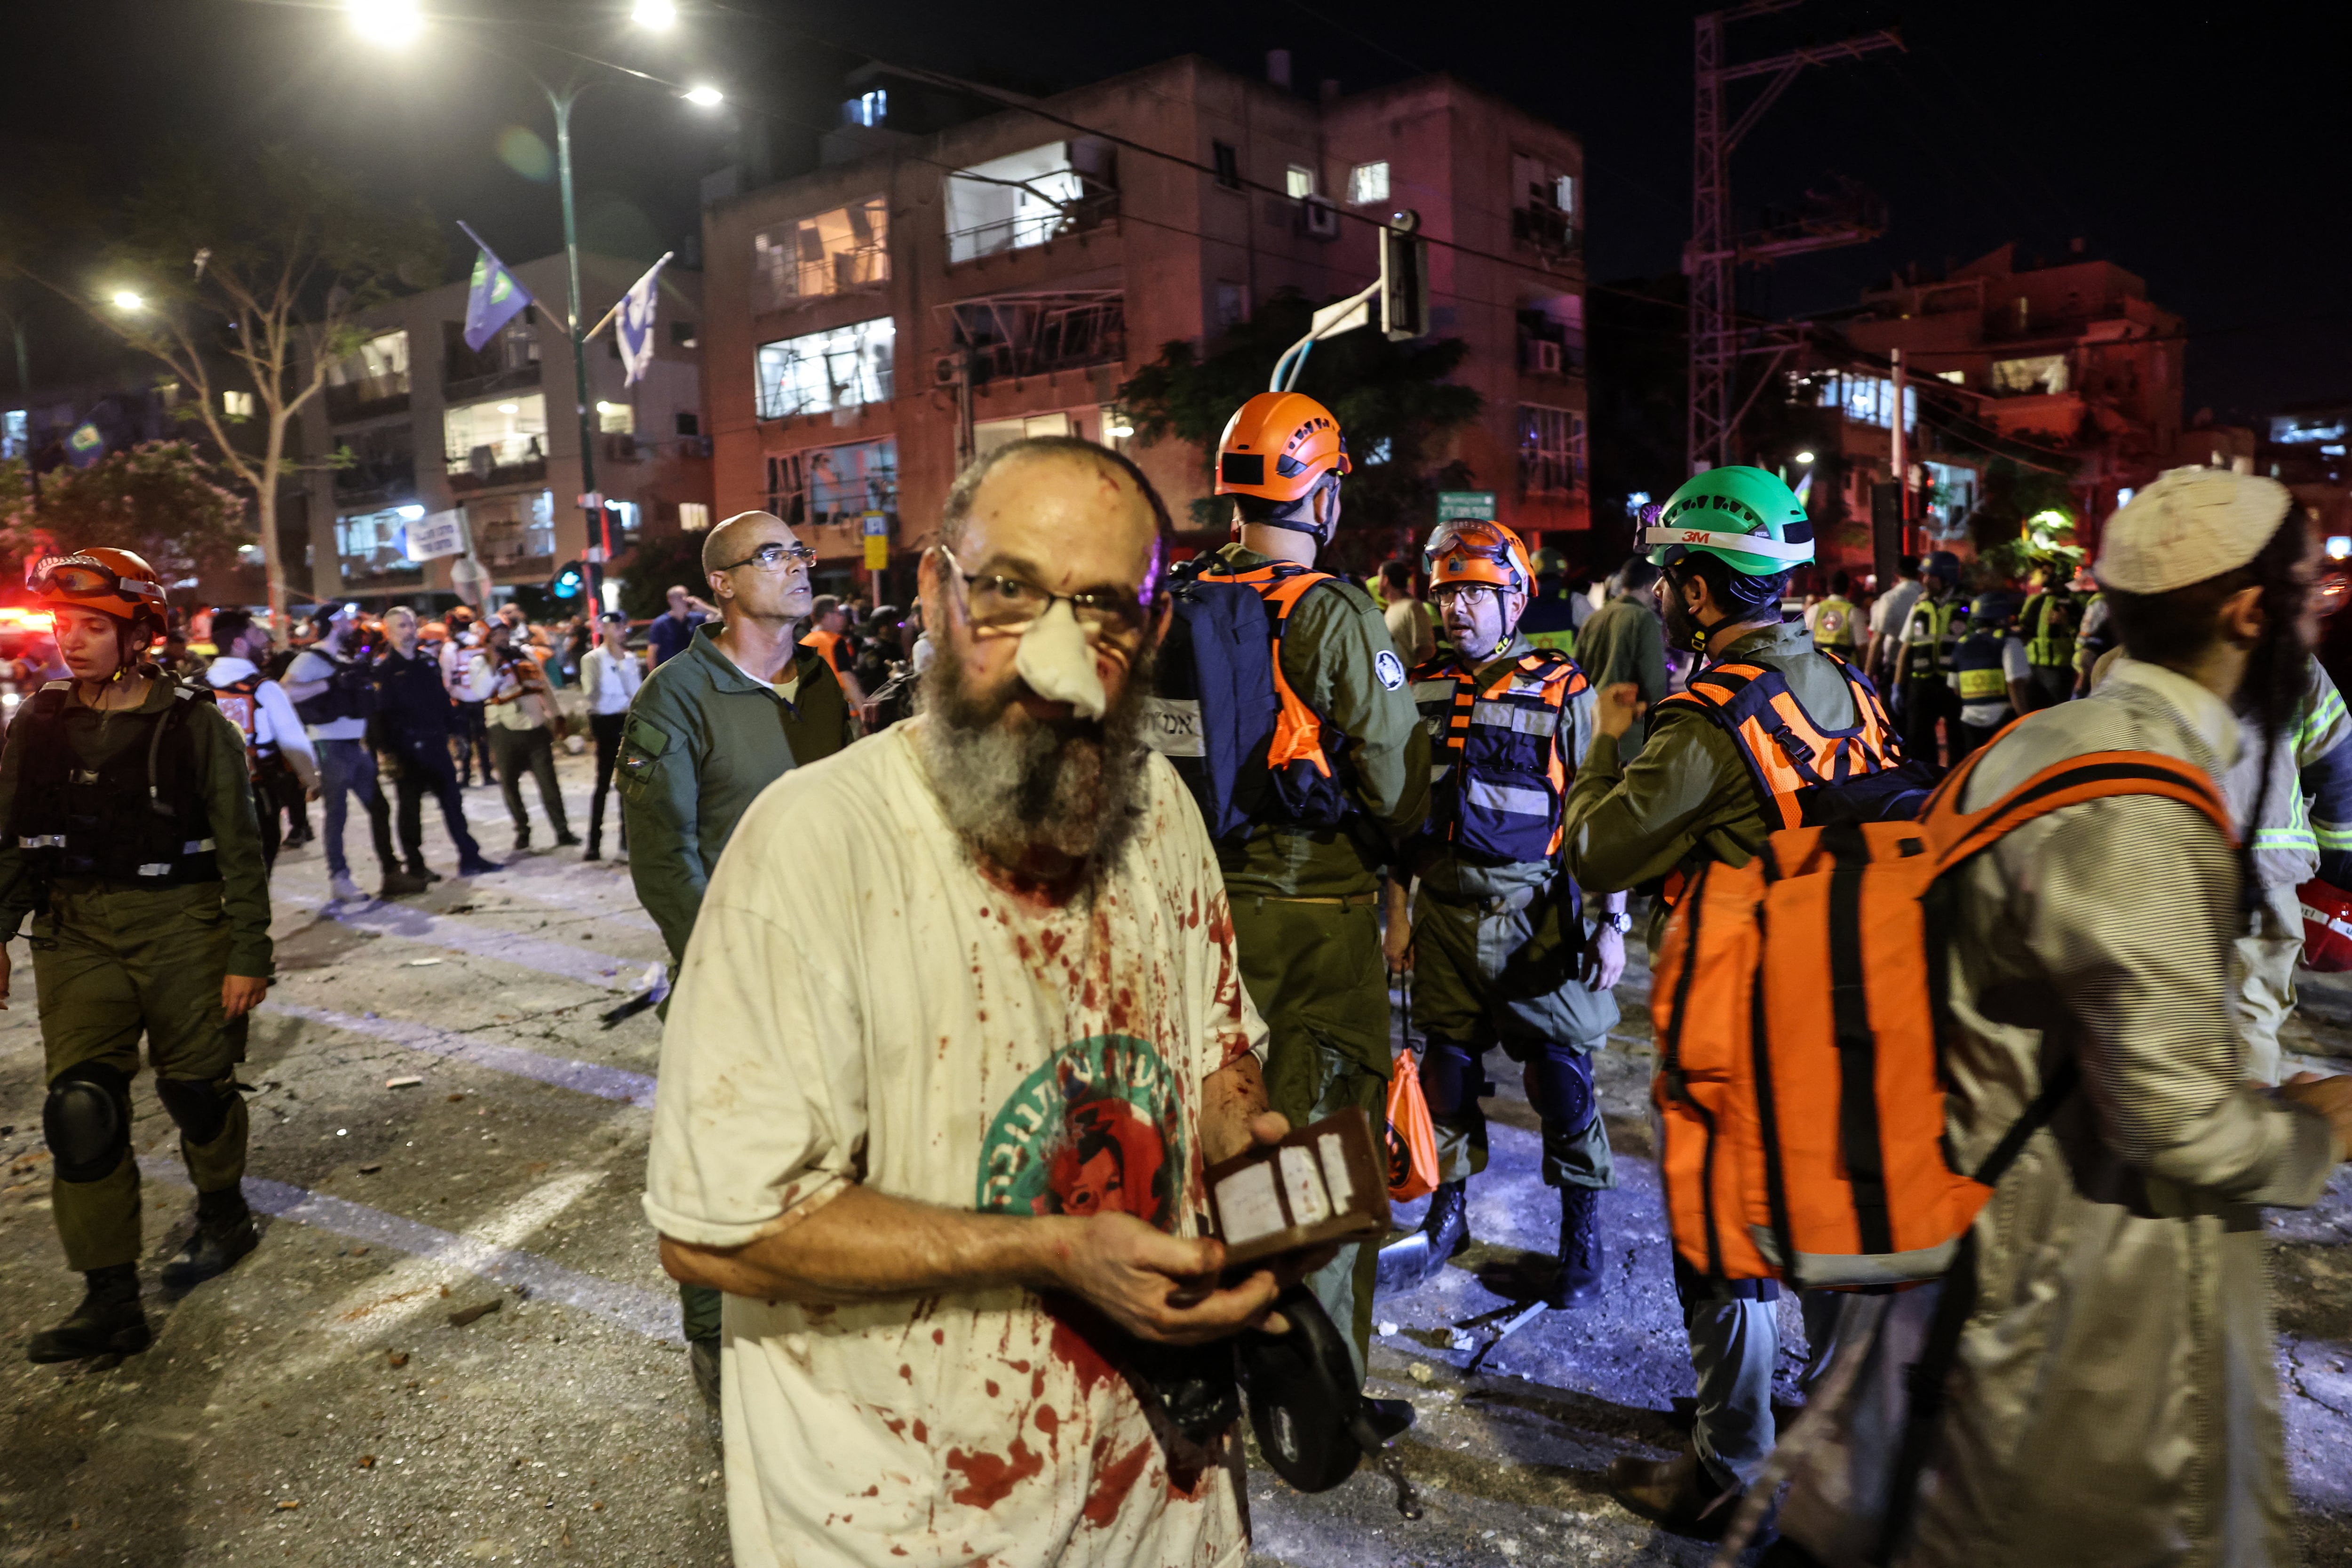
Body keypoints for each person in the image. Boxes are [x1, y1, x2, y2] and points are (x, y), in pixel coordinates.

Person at [647, 437, 1313, 1568]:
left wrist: (1240, 1137)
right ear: (934, 590)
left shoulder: (1162, 820)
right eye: (1009, 591)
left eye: (1105, 607)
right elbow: (723, 1229)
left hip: (1162, 1507)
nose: (1058, 663)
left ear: (1151, 633)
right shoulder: (814, 850)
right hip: (917, 1526)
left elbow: (1215, 1047)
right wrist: (1052, 1250)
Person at [1767, 466, 2352, 1568]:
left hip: (1995, 1269)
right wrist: (2320, 1126)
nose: (2317, 616)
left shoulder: (2044, 746)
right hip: (2074, 1320)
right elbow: (2173, 1124)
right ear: (2246, 612)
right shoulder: (2135, 800)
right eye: (2305, 593)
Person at [1555, 466, 1873, 1536]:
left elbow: (1599, 850)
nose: (1657, 598)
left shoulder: (1700, 724)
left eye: (1668, 580)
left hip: (1742, 1023)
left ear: (1700, 591)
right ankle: (1829, 1433)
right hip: (1848, 1006)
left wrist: (1610, 732)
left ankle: (1730, 1469)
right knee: (1825, 1227)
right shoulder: (1850, 688)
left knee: (1723, 1245)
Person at [1190, 391, 1429, 1382]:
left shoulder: (1190, 595)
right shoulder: (1331, 610)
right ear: (1321, 494)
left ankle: (1221, 1336)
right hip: (1314, 913)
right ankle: (1316, 1380)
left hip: (1202, 910)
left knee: (1226, 1135)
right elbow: (1394, 781)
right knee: (1322, 1145)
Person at [0, 549, 274, 1361]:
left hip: (182, 922)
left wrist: (249, 951)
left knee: (196, 1087)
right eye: (64, 625)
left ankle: (223, 1211)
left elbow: (241, 845)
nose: (73, 641)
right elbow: (11, 838)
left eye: (94, 626)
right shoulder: (38, 722)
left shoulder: (196, 723)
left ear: (141, 633)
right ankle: (110, 1296)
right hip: (74, 929)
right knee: (81, 1109)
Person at [619, 510, 856, 1395]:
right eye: (774, 554)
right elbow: (663, 858)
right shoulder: (674, 696)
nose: (798, 565)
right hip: (736, 972)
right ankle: (717, 1340)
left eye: (801, 551)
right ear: (721, 583)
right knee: (727, 1162)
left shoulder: (823, 681)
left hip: (837, 964)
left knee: (831, 1153)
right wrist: (721, 965)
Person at [1389, 519, 1627, 1308]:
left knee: (1561, 1079)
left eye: (1476, 593)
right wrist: (1398, 914)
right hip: (1443, 914)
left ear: (1516, 596)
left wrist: (1612, 922)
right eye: (1447, 591)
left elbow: (1606, 813)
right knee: (1447, 1074)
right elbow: (1400, 812)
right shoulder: (1417, 685)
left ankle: (1580, 1242)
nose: (1457, 609)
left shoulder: (1564, 688)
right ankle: (1447, 1216)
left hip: (1535, 918)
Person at [2224, 655, 2352, 1088]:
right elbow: (2337, 765)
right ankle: (2244, 1147)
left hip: (2154, 876)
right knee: (2250, 1018)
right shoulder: (2292, 662)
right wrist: (2339, 867)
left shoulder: (2123, 662)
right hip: (2262, 874)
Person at [281, 605, 430, 902]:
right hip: (331, 746)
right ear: (335, 624)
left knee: (380, 808)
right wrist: (330, 683)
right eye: (345, 619)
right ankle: (340, 879)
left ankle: (391, 874)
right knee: (337, 814)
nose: (351, 624)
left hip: (354, 745)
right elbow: (287, 691)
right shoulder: (312, 658)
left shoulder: (343, 657)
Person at [374, 606, 498, 880]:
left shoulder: (427, 663)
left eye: (411, 624)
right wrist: (387, 752)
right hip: (406, 751)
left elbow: (442, 701)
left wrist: (456, 733)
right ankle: (415, 865)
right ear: (389, 632)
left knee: (453, 804)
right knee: (410, 810)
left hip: (435, 745)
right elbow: (380, 717)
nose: (409, 631)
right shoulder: (384, 670)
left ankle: (469, 856)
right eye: (402, 626)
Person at [203, 608, 318, 876]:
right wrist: (313, 781)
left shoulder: (192, 687)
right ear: (239, 643)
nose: (265, 640)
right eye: (257, 633)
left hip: (205, 797)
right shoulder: (265, 689)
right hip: (255, 795)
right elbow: (294, 741)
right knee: (256, 872)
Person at [476, 620, 577, 852]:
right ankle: (522, 832)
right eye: (497, 634)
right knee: (510, 785)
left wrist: (557, 715)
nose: (503, 637)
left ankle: (562, 831)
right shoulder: (479, 662)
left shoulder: (526, 656)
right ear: (487, 638)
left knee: (549, 783)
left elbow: (545, 685)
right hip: (503, 728)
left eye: (505, 633)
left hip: (535, 725)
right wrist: (493, 663)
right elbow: (480, 691)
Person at [1573, 556, 1671, 760]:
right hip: (1628, 734)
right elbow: (1654, 683)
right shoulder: (1643, 619)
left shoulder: (1594, 619)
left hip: (1593, 728)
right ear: (1648, 586)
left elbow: (1577, 674)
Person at [578, 609, 642, 861]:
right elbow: (593, 694)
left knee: (633, 779)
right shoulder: (593, 659)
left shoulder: (629, 659)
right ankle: (594, 844)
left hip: (628, 722)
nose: (618, 631)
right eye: (613, 626)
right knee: (604, 782)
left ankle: (627, 843)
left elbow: (635, 694)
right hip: (605, 723)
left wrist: (623, 666)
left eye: (621, 626)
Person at [1892, 551, 1964, 771]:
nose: (1924, 581)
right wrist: (1898, 685)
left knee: (1958, 742)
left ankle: (1955, 786)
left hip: (1954, 685)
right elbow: (1907, 647)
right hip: (1922, 684)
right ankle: (1926, 787)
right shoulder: (1920, 606)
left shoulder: (1967, 606)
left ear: (1946, 577)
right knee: (1918, 741)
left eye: (1930, 576)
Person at [1945, 589, 2034, 759]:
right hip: (2002, 721)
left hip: (1970, 722)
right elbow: (2015, 683)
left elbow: (1955, 688)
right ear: (2001, 617)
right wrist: (2025, 719)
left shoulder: (1962, 645)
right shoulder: (2009, 643)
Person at [438, 607, 494, 788]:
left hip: (460, 700)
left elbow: (447, 677)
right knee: (483, 739)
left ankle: (466, 777)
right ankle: (488, 774)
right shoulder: (481, 643)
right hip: (481, 698)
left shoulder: (450, 648)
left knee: (464, 739)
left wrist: (448, 697)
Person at [2017, 564, 2080, 709]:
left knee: (2059, 713)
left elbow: (2083, 637)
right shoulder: (2034, 601)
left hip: (2059, 670)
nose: (2041, 574)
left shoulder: (2074, 602)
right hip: (2033, 669)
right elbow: (2024, 629)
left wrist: (2066, 624)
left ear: (2058, 574)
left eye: (2046, 572)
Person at [798, 594, 869, 716]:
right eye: (838, 613)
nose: (842, 618)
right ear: (827, 616)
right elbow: (847, 679)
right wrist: (864, 712)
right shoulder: (834, 642)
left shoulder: (803, 644)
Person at [1864, 553, 1923, 690]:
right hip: (1922, 668)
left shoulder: (1890, 599)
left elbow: (1878, 639)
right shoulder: (1925, 596)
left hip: (1894, 666)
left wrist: (1868, 675)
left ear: (1897, 574)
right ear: (1919, 573)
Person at [1519, 545, 1583, 657]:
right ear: (1562, 572)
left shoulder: (1520, 603)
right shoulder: (1575, 601)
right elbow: (1596, 631)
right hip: (1568, 672)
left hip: (1529, 672)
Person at [1380, 559, 1437, 668]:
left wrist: (1422, 681)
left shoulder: (1412, 608)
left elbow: (1426, 649)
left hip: (1412, 683)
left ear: (1385, 580)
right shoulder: (1392, 609)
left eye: (1379, 576)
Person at [644, 584, 710, 669]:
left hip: (695, 670)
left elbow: (721, 619)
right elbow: (652, 653)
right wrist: (654, 678)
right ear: (670, 600)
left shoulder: (697, 619)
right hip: (671, 673)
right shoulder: (661, 623)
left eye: (686, 596)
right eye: (680, 597)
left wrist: (704, 607)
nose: (685, 600)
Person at [1804, 568, 1860, 653]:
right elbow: (1862, 646)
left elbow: (1803, 640)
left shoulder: (1815, 610)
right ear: (1848, 589)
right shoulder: (1853, 612)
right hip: (1844, 665)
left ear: (1829, 588)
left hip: (1819, 664)